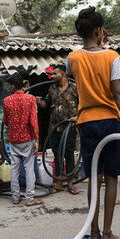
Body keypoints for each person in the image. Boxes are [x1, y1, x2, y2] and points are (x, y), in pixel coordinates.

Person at [66, 7, 120, 239]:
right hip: (111, 122)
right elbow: (118, 93)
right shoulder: (112, 57)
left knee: (94, 179)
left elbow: (77, 78)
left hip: (87, 123)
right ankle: (107, 233)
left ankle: (94, 233)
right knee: (112, 177)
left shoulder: (73, 58)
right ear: (99, 30)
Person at [37, 64, 80, 195]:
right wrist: (39, 101)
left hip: (69, 128)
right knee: (57, 155)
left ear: (63, 74)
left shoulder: (75, 88)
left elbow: (83, 104)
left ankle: (70, 184)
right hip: (54, 128)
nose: (52, 76)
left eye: (55, 74)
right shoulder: (52, 89)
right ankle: (59, 183)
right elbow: (46, 104)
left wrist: (77, 116)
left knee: (69, 155)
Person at [3, 72, 42, 206]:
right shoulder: (30, 99)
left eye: (10, 85)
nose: (9, 87)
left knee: (14, 168)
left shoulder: (7, 100)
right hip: (28, 139)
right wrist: (37, 139)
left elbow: (6, 121)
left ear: (13, 86)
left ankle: (15, 197)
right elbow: (33, 121)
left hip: (14, 140)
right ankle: (30, 198)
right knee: (29, 168)